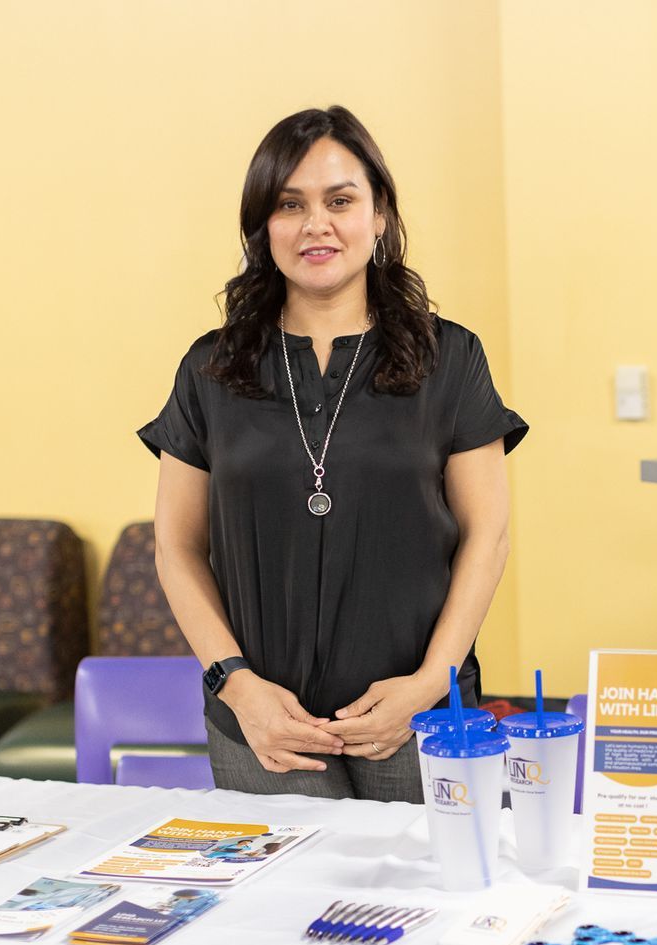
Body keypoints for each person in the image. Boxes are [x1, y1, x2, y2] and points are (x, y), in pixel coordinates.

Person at [142, 106, 526, 803]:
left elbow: (487, 534)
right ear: (263, 227)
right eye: (290, 204)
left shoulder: (453, 358)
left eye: (340, 201)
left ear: (379, 215)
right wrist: (237, 684)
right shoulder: (212, 368)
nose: (316, 223)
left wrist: (430, 681)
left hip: (422, 718)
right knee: (282, 912)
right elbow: (175, 545)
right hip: (264, 727)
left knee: (437, 906)